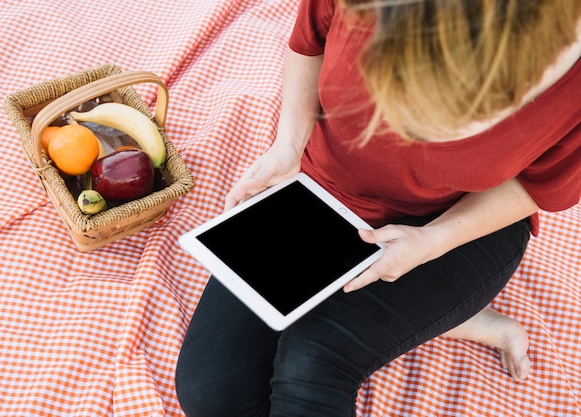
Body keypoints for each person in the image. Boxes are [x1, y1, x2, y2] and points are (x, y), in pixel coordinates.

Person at [175, 0, 581, 416]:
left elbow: (538, 185)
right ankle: (449, 317)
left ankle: (451, 315)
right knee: (210, 392)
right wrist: (289, 144)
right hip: (324, 192)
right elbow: (308, 42)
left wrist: (431, 241)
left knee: (311, 358)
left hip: (463, 225)